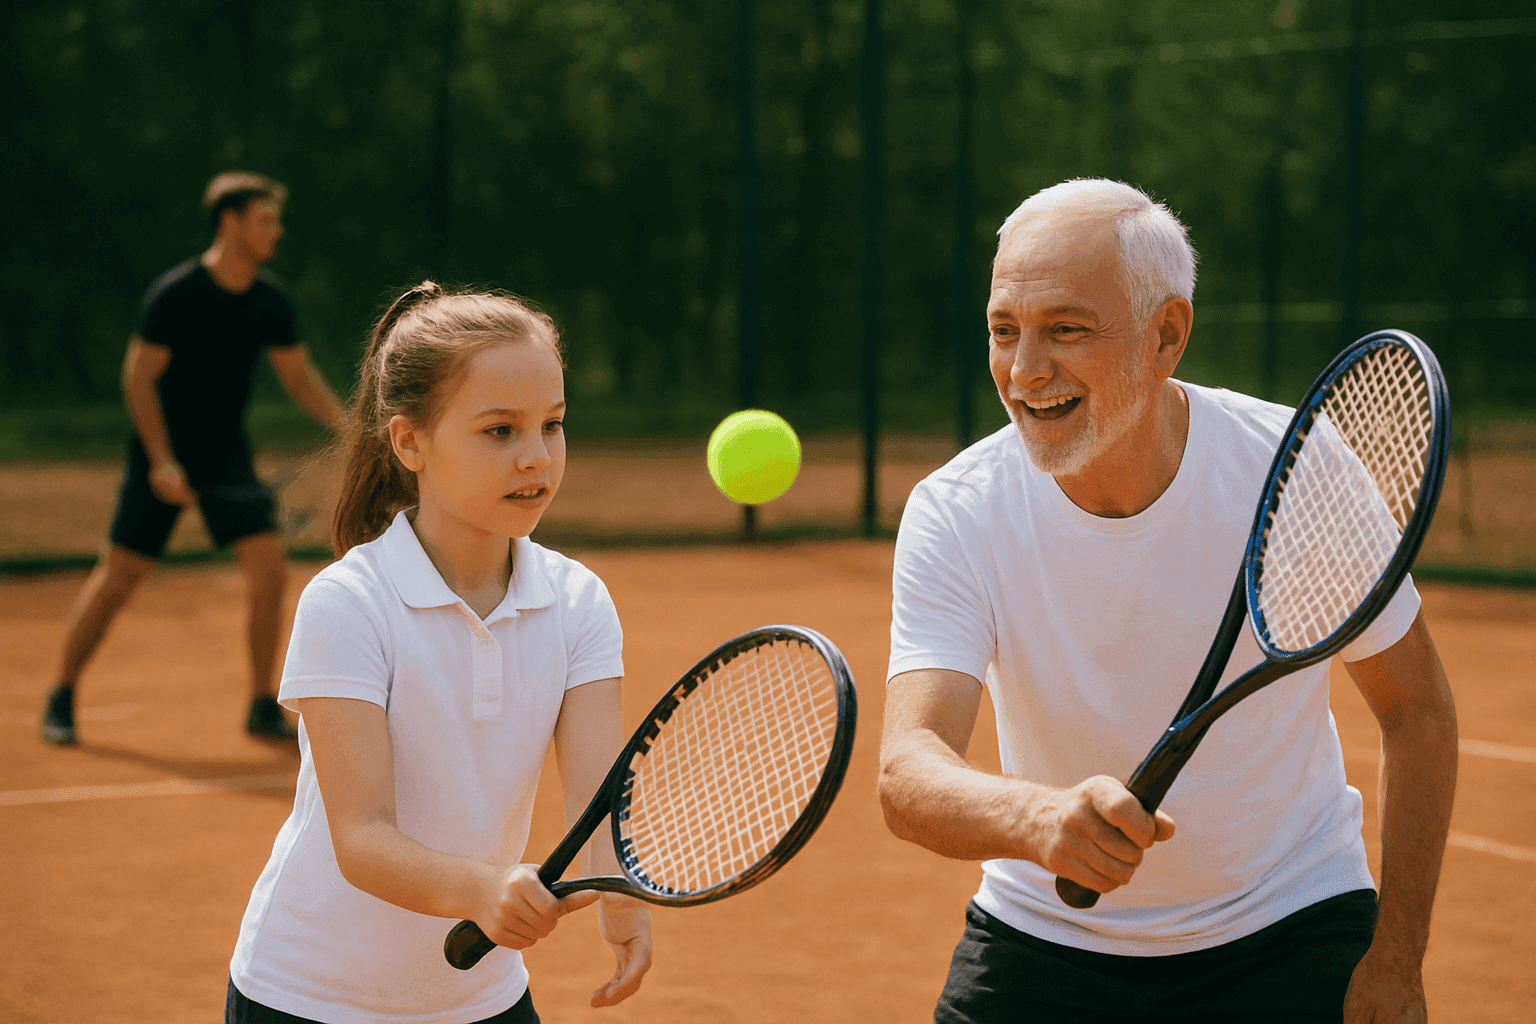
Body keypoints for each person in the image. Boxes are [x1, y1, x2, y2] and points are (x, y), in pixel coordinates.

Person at [878, 179, 1457, 1023]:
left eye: (1066, 329)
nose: (1025, 369)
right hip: (1045, 934)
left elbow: (1416, 709)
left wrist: (1397, 957)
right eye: (1005, 330)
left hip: (1288, 923)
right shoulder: (957, 510)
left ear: (1167, 335)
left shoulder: (1294, 474)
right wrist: (1038, 816)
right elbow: (908, 767)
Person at [226, 283, 651, 1023]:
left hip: (481, 1000)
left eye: (552, 426)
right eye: (499, 431)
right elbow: (362, 839)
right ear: (409, 441)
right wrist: (481, 889)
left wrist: (623, 910)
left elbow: (594, 802)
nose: (535, 457)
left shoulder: (580, 603)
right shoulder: (349, 602)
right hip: (307, 999)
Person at [40, 171, 344, 744]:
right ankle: (61, 693)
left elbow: (299, 377)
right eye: (265, 219)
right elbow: (139, 378)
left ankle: (260, 703)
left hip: (226, 457)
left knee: (270, 572)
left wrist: (350, 426)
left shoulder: (269, 301)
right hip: (161, 456)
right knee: (121, 575)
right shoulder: (176, 294)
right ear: (231, 222)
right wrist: (160, 461)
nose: (276, 231)